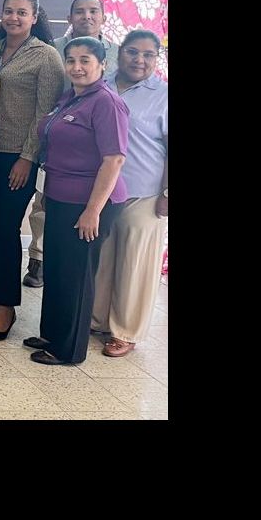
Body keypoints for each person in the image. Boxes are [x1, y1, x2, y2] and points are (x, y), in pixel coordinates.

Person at [0, 0, 63, 340]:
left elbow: (45, 113)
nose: (14, 17)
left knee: (5, 230)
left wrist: (27, 157)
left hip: (17, 157)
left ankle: (7, 307)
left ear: (34, 17)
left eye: (22, 12)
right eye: (8, 11)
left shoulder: (46, 56)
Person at [25, 37, 128, 366]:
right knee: (57, 268)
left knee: (76, 275)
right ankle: (53, 334)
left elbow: (114, 160)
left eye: (85, 60)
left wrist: (92, 211)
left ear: (103, 65)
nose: (77, 67)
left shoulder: (106, 102)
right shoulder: (71, 97)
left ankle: (68, 349)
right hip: (60, 196)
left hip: (89, 203)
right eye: (71, 60)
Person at [24, 0, 122, 288]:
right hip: (55, 148)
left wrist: (93, 209)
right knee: (44, 211)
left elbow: (113, 157)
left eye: (93, 11)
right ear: (69, 18)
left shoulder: (116, 60)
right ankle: (38, 259)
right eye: (79, 11)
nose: (86, 16)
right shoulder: (53, 53)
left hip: (95, 158)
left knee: (77, 266)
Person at [91, 30, 168, 358]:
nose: (139, 60)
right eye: (133, 52)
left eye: (148, 55)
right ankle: (96, 320)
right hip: (101, 192)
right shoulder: (101, 83)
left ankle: (125, 331)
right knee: (102, 260)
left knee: (135, 265)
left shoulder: (163, 95)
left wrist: (167, 193)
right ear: (119, 51)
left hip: (144, 193)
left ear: (157, 59)